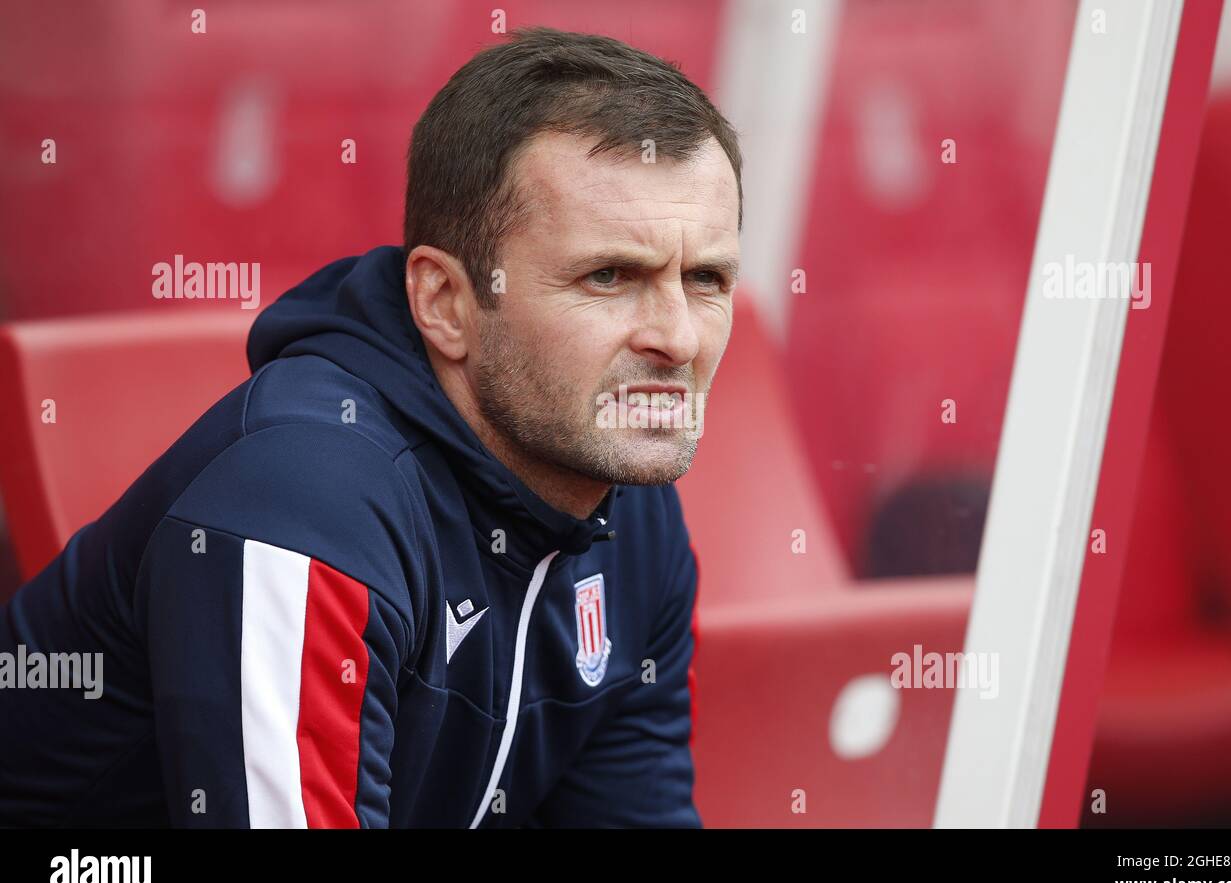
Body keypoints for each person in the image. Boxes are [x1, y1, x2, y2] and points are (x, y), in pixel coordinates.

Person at [0, 25, 742, 828]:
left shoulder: (627, 508)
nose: (678, 336)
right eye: (609, 276)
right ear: (446, 304)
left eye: (705, 278)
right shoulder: (304, 504)